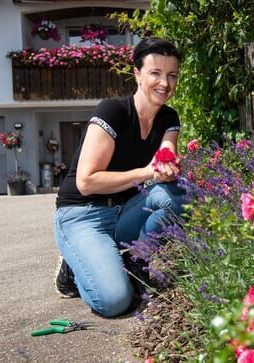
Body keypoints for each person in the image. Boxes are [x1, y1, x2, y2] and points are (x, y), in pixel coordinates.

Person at [53, 37, 187, 318]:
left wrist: (167, 165)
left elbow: (166, 151)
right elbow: (86, 182)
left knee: (176, 195)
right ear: (137, 73)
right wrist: (148, 171)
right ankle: (73, 269)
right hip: (82, 214)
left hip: (124, 211)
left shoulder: (169, 117)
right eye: (155, 73)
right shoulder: (112, 111)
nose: (164, 83)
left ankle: (135, 262)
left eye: (171, 75)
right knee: (115, 301)